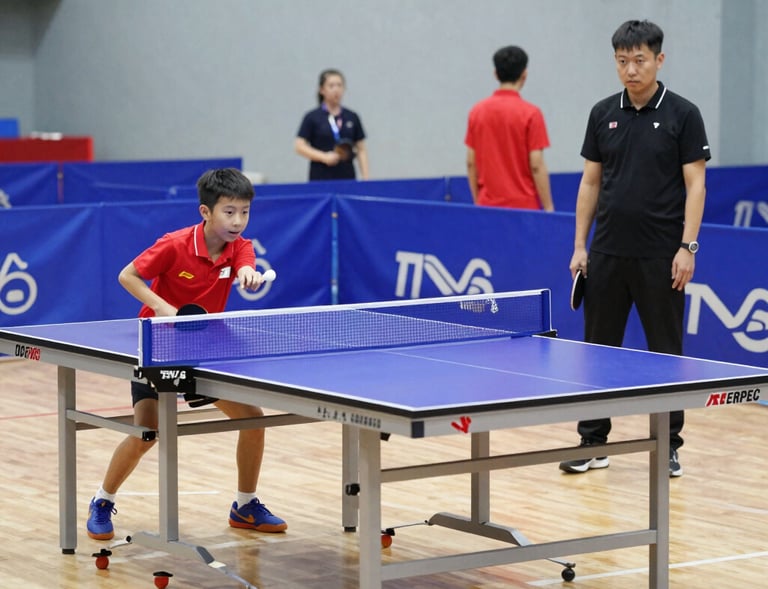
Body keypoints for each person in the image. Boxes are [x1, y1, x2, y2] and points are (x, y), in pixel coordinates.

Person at [86, 168, 287, 540]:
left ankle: (245, 505)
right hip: (157, 346)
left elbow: (245, 263)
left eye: (244, 211)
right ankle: (102, 499)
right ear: (205, 212)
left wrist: (248, 274)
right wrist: (161, 306)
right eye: (229, 211)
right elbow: (127, 276)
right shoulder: (175, 244)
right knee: (148, 432)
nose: (238, 221)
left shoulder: (239, 245)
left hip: (203, 349)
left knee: (253, 420)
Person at [560, 20, 710, 478]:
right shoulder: (602, 112)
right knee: (597, 351)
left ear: (659, 60)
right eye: (622, 61)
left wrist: (688, 247)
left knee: (666, 353)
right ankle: (592, 441)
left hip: (661, 256)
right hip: (606, 253)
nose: (630, 69)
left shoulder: (683, 114)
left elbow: (696, 183)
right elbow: (590, 181)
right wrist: (580, 244)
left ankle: (667, 445)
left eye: (639, 60)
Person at [465, 45, 554, 211]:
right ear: (524, 74)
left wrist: (479, 201)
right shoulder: (532, 114)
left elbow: (471, 162)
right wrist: (548, 207)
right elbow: (536, 164)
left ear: (496, 74)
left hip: (487, 207)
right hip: (524, 208)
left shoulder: (476, 112)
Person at [295, 68, 369, 181]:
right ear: (322, 90)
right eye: (331, 86)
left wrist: (366, 177)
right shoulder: (312, 117)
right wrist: (323, 157)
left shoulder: (352, 117)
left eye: (339, 85)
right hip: (320, 176)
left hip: (347, 176)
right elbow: (299, 146)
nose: (336, 90)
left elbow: (361, 149)